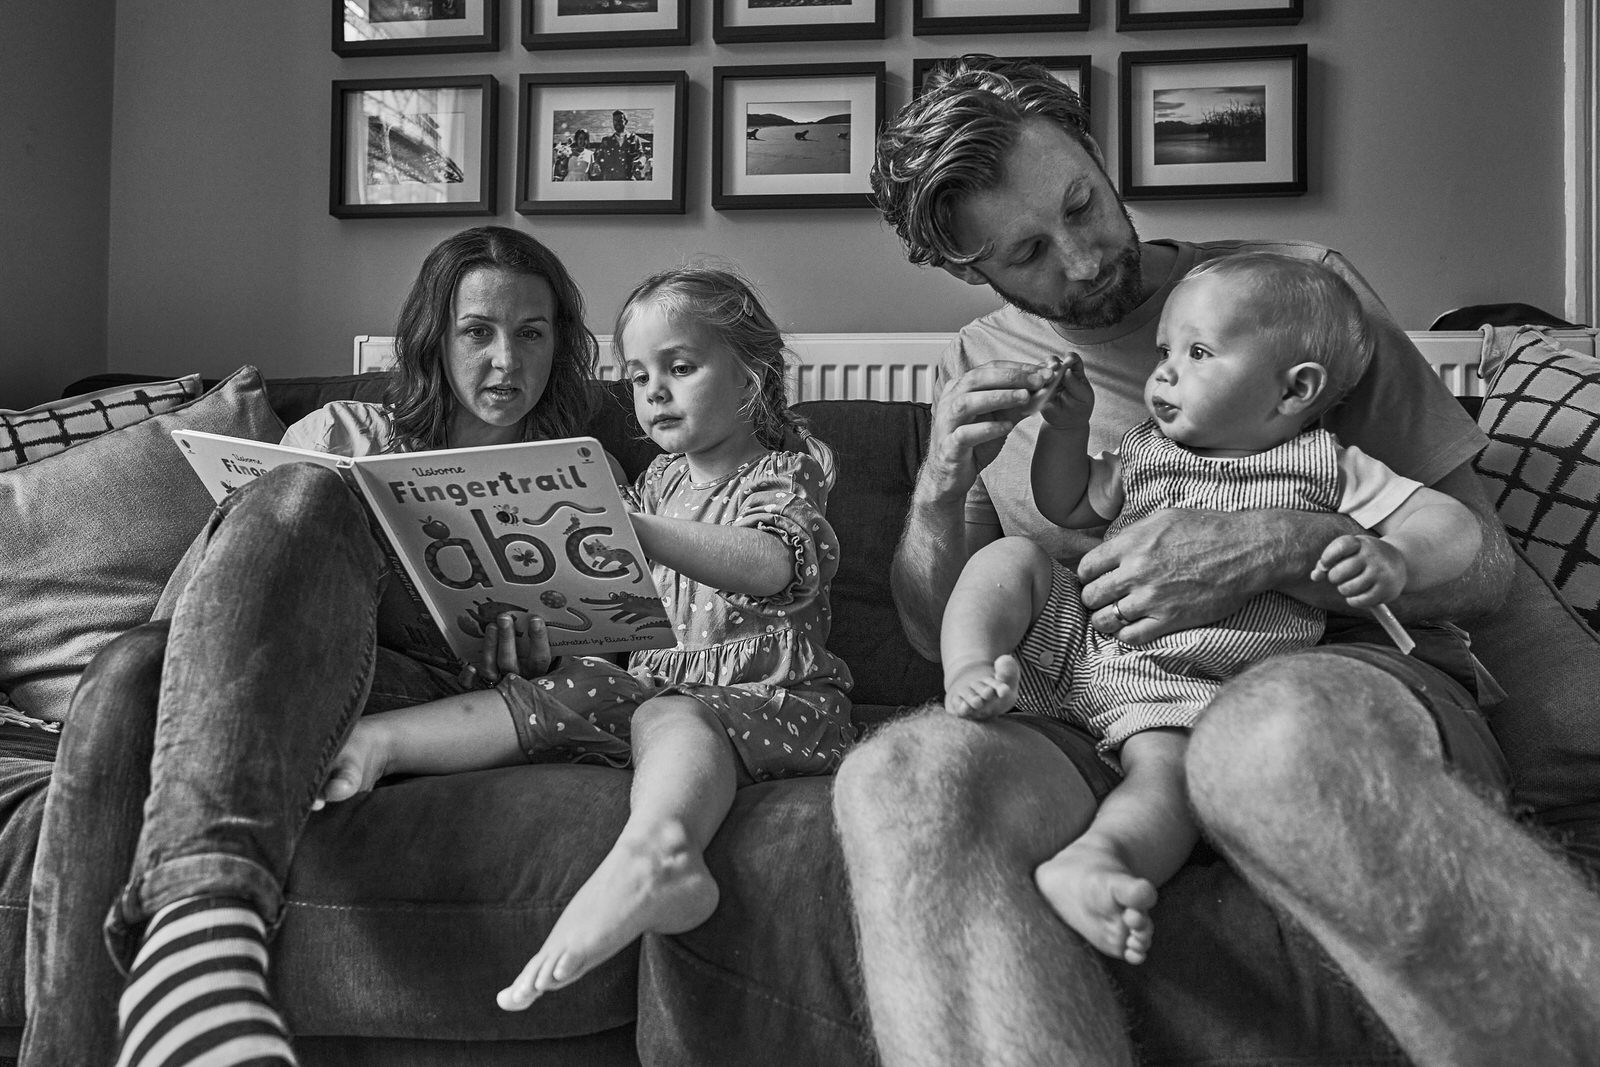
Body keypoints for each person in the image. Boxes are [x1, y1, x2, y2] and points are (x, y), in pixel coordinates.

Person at [831, 52, 1600, 1066]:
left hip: (1323, 669)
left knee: (1269, 740)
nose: (1083, 259)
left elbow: (1482, 562)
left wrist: (1285, 541)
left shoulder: (1290, 293)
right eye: (1027, 252)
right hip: (1102, 700)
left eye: (1082, 203)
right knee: (902, 780)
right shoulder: (982, 363)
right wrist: (939, 482)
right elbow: (944, 637)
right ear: (970, 270)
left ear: (1097, 153)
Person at [20, 225, 615, 1067]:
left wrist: (530, 668)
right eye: (477, 331)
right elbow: (186, 616)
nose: (504, 360)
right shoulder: (345, 428)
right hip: (283, 665)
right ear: (435, 339)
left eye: (531, 333)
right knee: (134, 666)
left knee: (132, 675)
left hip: (433, 696)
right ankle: (195, 949)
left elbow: (609, 673)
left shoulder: (587, 477)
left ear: (561, 344)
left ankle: (199, 945)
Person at [316, 265, 854, 1009]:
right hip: (660, 689)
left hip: (776, 701)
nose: (654, 392)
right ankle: (376, 743)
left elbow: (772, 564)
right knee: (571, 687)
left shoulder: (784, 473)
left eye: (680, 367)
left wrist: (630, 527)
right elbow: (604, 595)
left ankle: (662, 852)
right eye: (638, 376)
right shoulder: (659, 481)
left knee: (670, 714)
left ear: (750, 377)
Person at [942, 252, 1479, 966]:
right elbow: (1065, 502)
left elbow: (1454, 525)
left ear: (1294, 390)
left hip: (1191, 685)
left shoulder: (1327, 466)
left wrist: (1398, 555)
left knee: (1168, 780)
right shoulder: (1145, 448)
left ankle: (1100, 861)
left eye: (1197, 354)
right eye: (1165, 352)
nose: (1164, 373)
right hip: (1084, 640)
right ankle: (971, 668)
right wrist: (1066, 430)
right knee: (1011, 561)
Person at [595, 109, 643, 181]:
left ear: (626, 122)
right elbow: (598, 159)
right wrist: (597, 166)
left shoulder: (634, 139)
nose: (617, 123)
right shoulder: (606, 141)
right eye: (615, 121)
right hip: (610, 180)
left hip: (628, 179)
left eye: (620, 120)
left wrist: (640, 162)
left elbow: (641, 155)